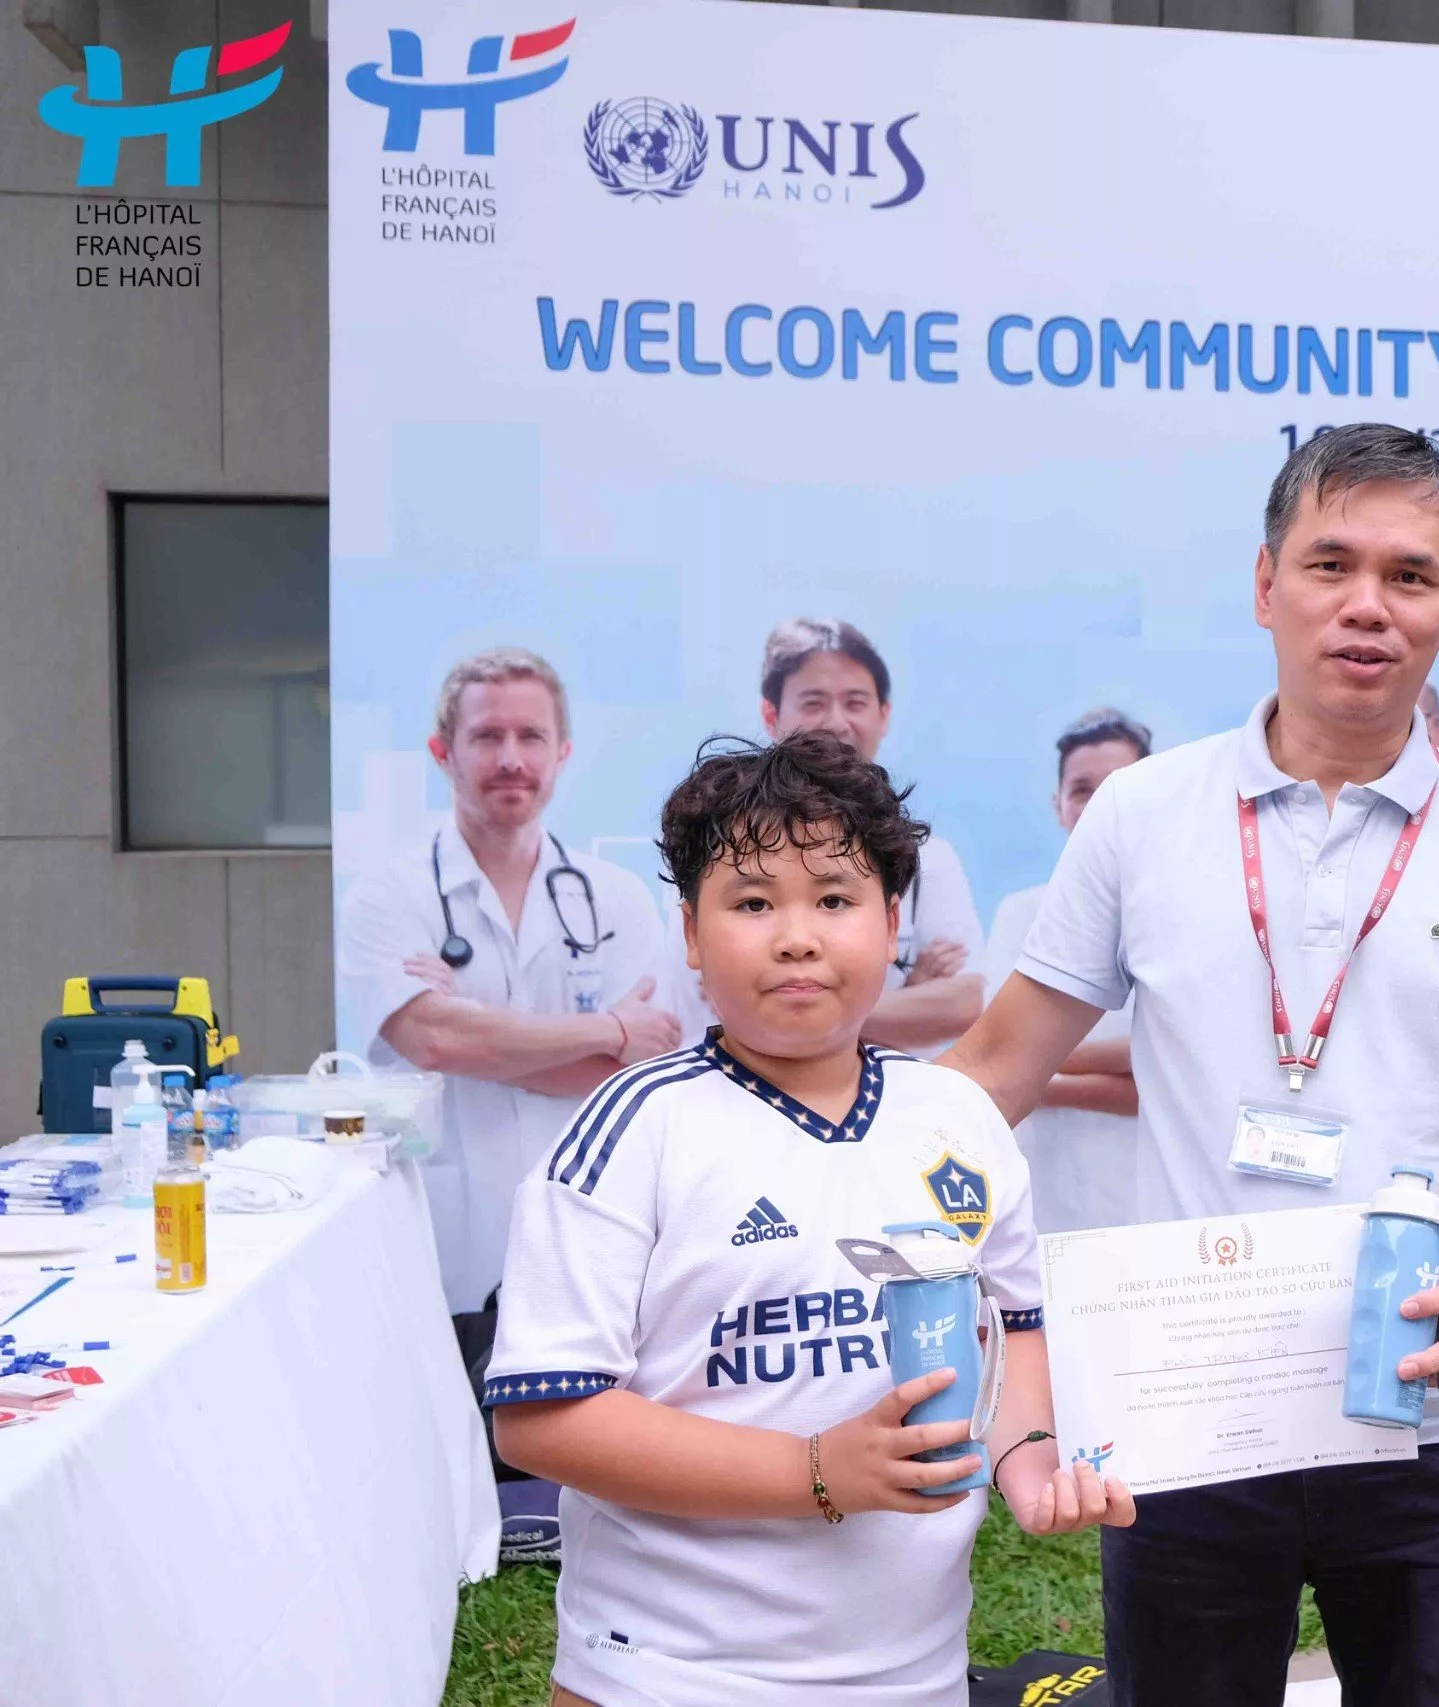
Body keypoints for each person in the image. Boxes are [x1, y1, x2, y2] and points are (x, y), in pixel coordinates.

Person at [941, 424, 1439, 1707]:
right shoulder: (1144, 815)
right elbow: (997, 1067)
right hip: (1190, 1425)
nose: (1367, 605)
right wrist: (827, 1184)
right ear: (1264, 585)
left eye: (1410, 576)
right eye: (1329, 564)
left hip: (1431, 1419)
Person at [485, 733, 1133, 1707]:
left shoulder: (957, 1120)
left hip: (910, 1673)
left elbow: (1016, 1333)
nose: (797, 935)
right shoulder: (634, 1130)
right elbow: (539, 1420)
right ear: (693, 936)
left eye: (834, 898)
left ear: (891, 921)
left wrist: (1029, 1462)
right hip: (667, 1675)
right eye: (751, 903)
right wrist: (813, 1469)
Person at [336, 647, 678, 1416]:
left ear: (561, 753)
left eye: (531, 737)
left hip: (586, 1210)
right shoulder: (387, 896)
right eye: (488, 736)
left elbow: (628, 1069)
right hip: (444, 1223)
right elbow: (430, 1042)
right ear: (442, 752)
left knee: (585, 1439)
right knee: (444, 1440)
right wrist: (605, 1027)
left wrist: (479, 1030)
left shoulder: (617, 899)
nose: (510, 758)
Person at [662, 617, 985, 1053]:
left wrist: (807, 998)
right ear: (771, 714)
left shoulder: (931, 859)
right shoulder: (716, 844)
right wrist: (893, 994)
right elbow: (721, 995)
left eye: (855, 702)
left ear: (883, 715)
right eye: (813, 702)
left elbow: (962, 1004)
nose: (836, 722)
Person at [975, 709, 1151, 1232]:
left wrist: (1042, 1072)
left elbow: (1171, 1066)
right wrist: (1117, 1068)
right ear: (1059, 806)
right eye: (1081, 789)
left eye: (1117, 787)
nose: (1098, 806)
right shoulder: (1020, 912)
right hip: (1047, 1201)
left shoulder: (1186, 914)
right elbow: (999, 1058)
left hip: (1151, 1203)